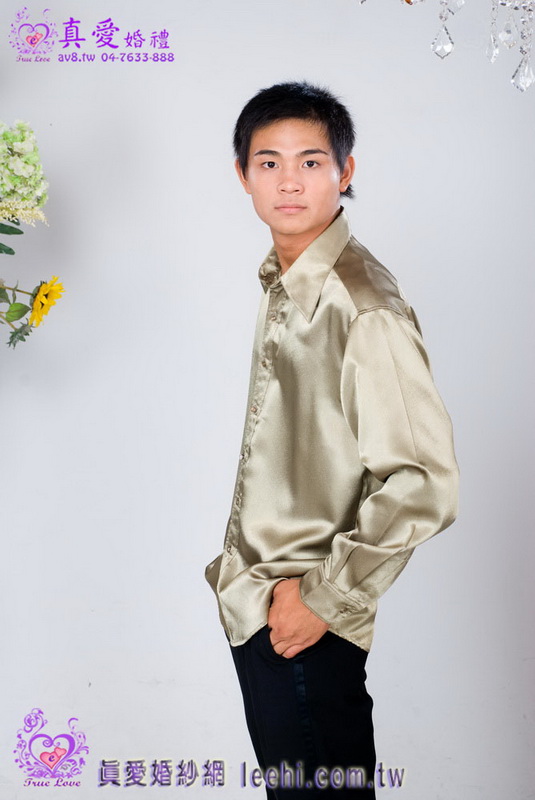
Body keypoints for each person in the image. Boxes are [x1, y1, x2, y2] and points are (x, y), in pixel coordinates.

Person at [205, 81, 459, 798]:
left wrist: (322, 596)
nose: (289, 181)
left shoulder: (361, 303)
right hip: (266, 605)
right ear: (243, 175)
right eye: (269, 162)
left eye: (311, 162)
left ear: (345, 172)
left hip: (305, 617)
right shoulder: (287, 280)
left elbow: (424, 481)